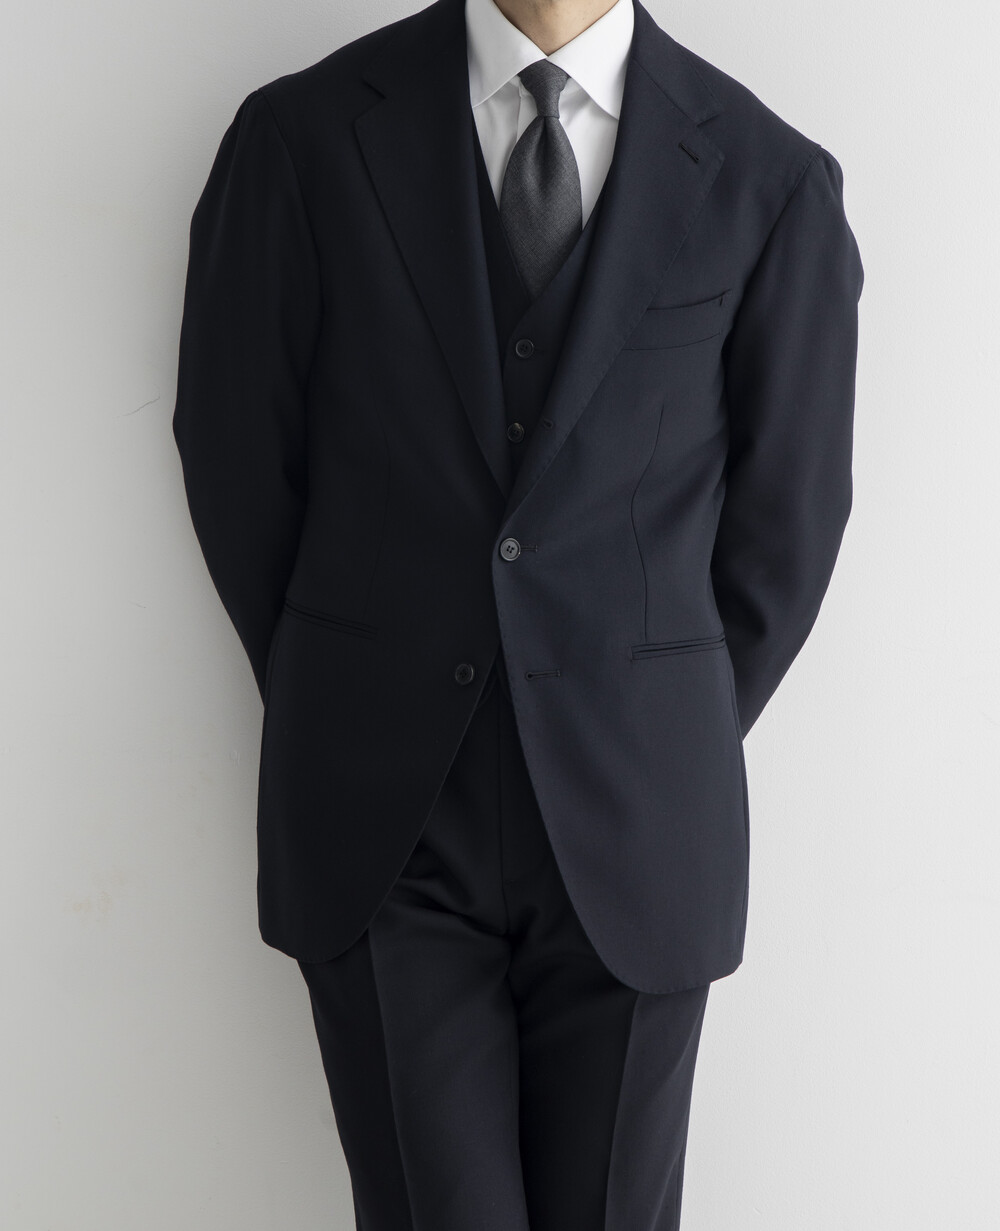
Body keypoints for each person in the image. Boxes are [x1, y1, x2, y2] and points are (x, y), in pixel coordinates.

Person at [171, 0, 864, 1225]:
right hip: (386, 832)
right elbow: (237, 458)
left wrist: (643, 716)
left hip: (637, 830)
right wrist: (350, 693)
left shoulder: (770, 180)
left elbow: (785, 531)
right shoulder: (300, 141)